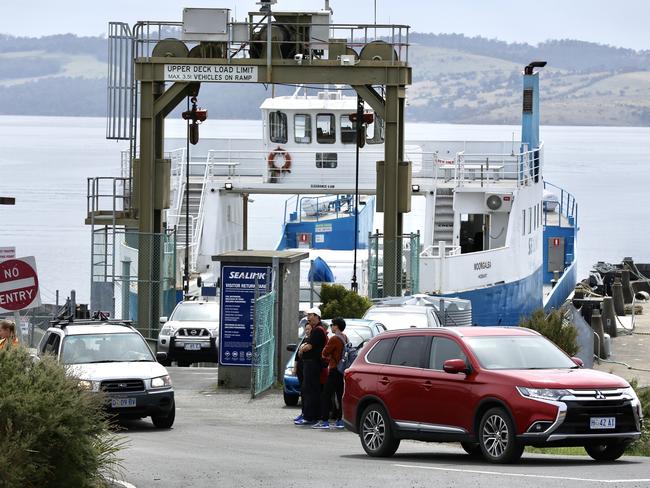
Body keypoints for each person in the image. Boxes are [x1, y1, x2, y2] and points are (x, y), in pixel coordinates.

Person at [312, 317, 347, 430]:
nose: (331, 327)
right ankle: (340, 420)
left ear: (336, 326)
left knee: (326, 395)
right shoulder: (345, 337)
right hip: (342, 370)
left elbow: (324, 352)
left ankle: (325, 421)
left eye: (332, 325)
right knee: (340, 394)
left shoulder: (334, 339)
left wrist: (328, 355)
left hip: (334, 369)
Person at [294, 307, 326, 426]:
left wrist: (302, 349)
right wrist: (303, 347)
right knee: (308, 390)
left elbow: (308, 346)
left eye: (310, 315)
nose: (308, 317)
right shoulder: (315, 329)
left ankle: (311, 417)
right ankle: (309, 415)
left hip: (313, 364)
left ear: (317, 316)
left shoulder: (318, 330)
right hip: (310, 364)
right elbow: (306, 344)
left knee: (311, 391)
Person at [291, 322, 312, 423]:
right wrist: (294, 368)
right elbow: (296, 356)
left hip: (307, 369)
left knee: (306, 392)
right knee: (302, 392)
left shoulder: (312, 341)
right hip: (300, 368)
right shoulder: (304, 339)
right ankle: (303, 413)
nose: (307, 331)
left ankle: (307, 414)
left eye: (309, 329)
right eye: (306, 329)